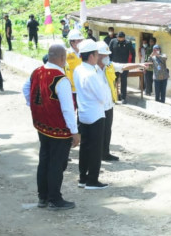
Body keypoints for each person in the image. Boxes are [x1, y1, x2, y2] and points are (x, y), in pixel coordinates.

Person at [23, 44, 80, 210]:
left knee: (45, 159)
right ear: (62, 58)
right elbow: (68, 108)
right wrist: (75, 132)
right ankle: (55, 199)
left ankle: (43, 196)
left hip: (41, 124)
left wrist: (35, 106)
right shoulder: (60, 78)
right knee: (57, 163)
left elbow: (26, 89)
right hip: (58, 128)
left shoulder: (37, 71)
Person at [96, 41, 143, 162]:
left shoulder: (109, 66)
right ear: (97, 55)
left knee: (107, 130)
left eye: (108, 55)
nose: (107, 57)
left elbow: (123, 66)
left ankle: (105, 153)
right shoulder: (92, 70)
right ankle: (97, 155)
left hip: (109, 104)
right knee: (98, 132)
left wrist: (139, 64)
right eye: (105, 55)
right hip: (98, 106)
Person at [73, 40, 108, 190]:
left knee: (85, 147)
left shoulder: (78, 69)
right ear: (92, 56)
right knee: (95, 148)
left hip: (83, 113)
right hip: (95, 114)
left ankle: (83, 178)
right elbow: (102, 97)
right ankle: (92, 180)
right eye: (97, 54)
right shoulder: (91, 74)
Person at [108, 31, 135, 103]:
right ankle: (113, 97)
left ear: (124, 38)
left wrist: (132, 64)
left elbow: (133, 52)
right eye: (118, 38)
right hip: (114, 65)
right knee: (113, 81)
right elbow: (109, 52)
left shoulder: (128, 43)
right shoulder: (113, 41)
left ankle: (123, 97)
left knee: (124, 81)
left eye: (121, 38)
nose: (120, 39)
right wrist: (108, 63)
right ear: (117, 37)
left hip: (124, 65)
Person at [65, 29, 84, 103]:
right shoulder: (67, 54)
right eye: (78, 40)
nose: (80, 43)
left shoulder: (85, 54)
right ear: (72, 42)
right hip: (71, 89)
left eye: (81, 40)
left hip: (83, 88)